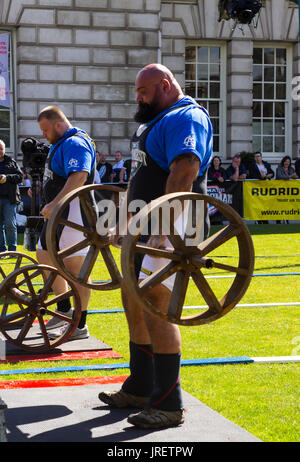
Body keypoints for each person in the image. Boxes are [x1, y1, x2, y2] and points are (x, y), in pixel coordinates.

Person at [98, 63, 213, 429]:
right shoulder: (155, 121)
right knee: (133, 297)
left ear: (164, 85)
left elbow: (184, 173)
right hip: (146, 224)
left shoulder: (186, 117)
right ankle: (141, 386)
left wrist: (161, 229)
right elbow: (139, 175)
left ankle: (168, 405)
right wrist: (125, 221)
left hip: (173, 225)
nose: (138, 98)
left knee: (156, 304)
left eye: (143, 92)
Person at [36, 106, 96, 340]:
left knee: (76, 269)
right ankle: (63, 311)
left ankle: (80, 325)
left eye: (45, 130)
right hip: (60, 213)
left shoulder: (75, 143)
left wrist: (54, 204)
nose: (44, 135)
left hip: (76, 213)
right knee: (45, 256)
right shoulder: (61, 143)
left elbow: (79, 176)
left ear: (58, 124)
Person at [0, 139, 23, 254]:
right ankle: (2, 251)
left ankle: (12, 250)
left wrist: (7, 178)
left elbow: (20, 177)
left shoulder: (11, 161)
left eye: (1, 148)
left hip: (10, 198)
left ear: (4, 150)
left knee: (10, 224)